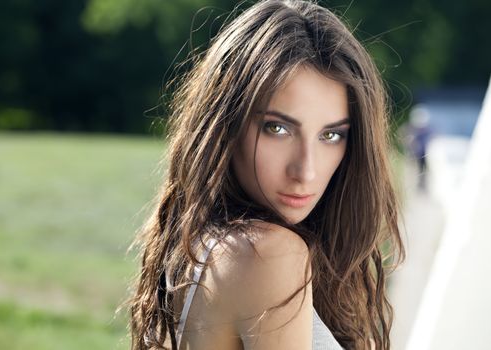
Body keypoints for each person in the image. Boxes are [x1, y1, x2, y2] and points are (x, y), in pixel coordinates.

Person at [128, 0, 405, 349]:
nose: (306, 170)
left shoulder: (205, 245)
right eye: (277, 128)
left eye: (331, 135)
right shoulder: (269, 255)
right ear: (225, 124)